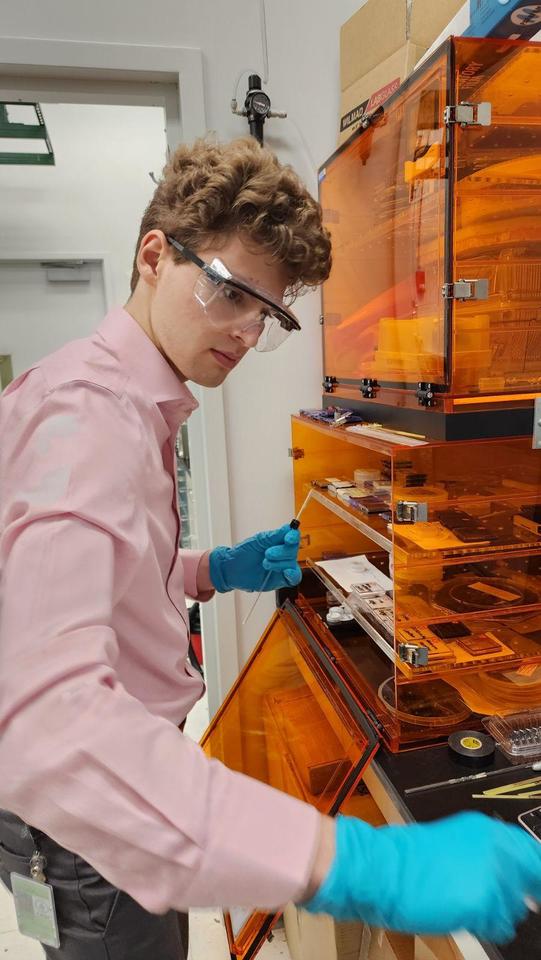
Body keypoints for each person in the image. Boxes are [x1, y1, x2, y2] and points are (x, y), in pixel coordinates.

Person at [0, 136, 540, 960]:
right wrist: (353, 861)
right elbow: (48, 722)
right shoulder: (89, 420)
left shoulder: (118, 400)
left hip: (98, 811)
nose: (248, 332)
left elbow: (80, 582)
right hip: (87, 827)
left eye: (270, 314)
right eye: (229, 292)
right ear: (155, 255)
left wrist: (210, 570)